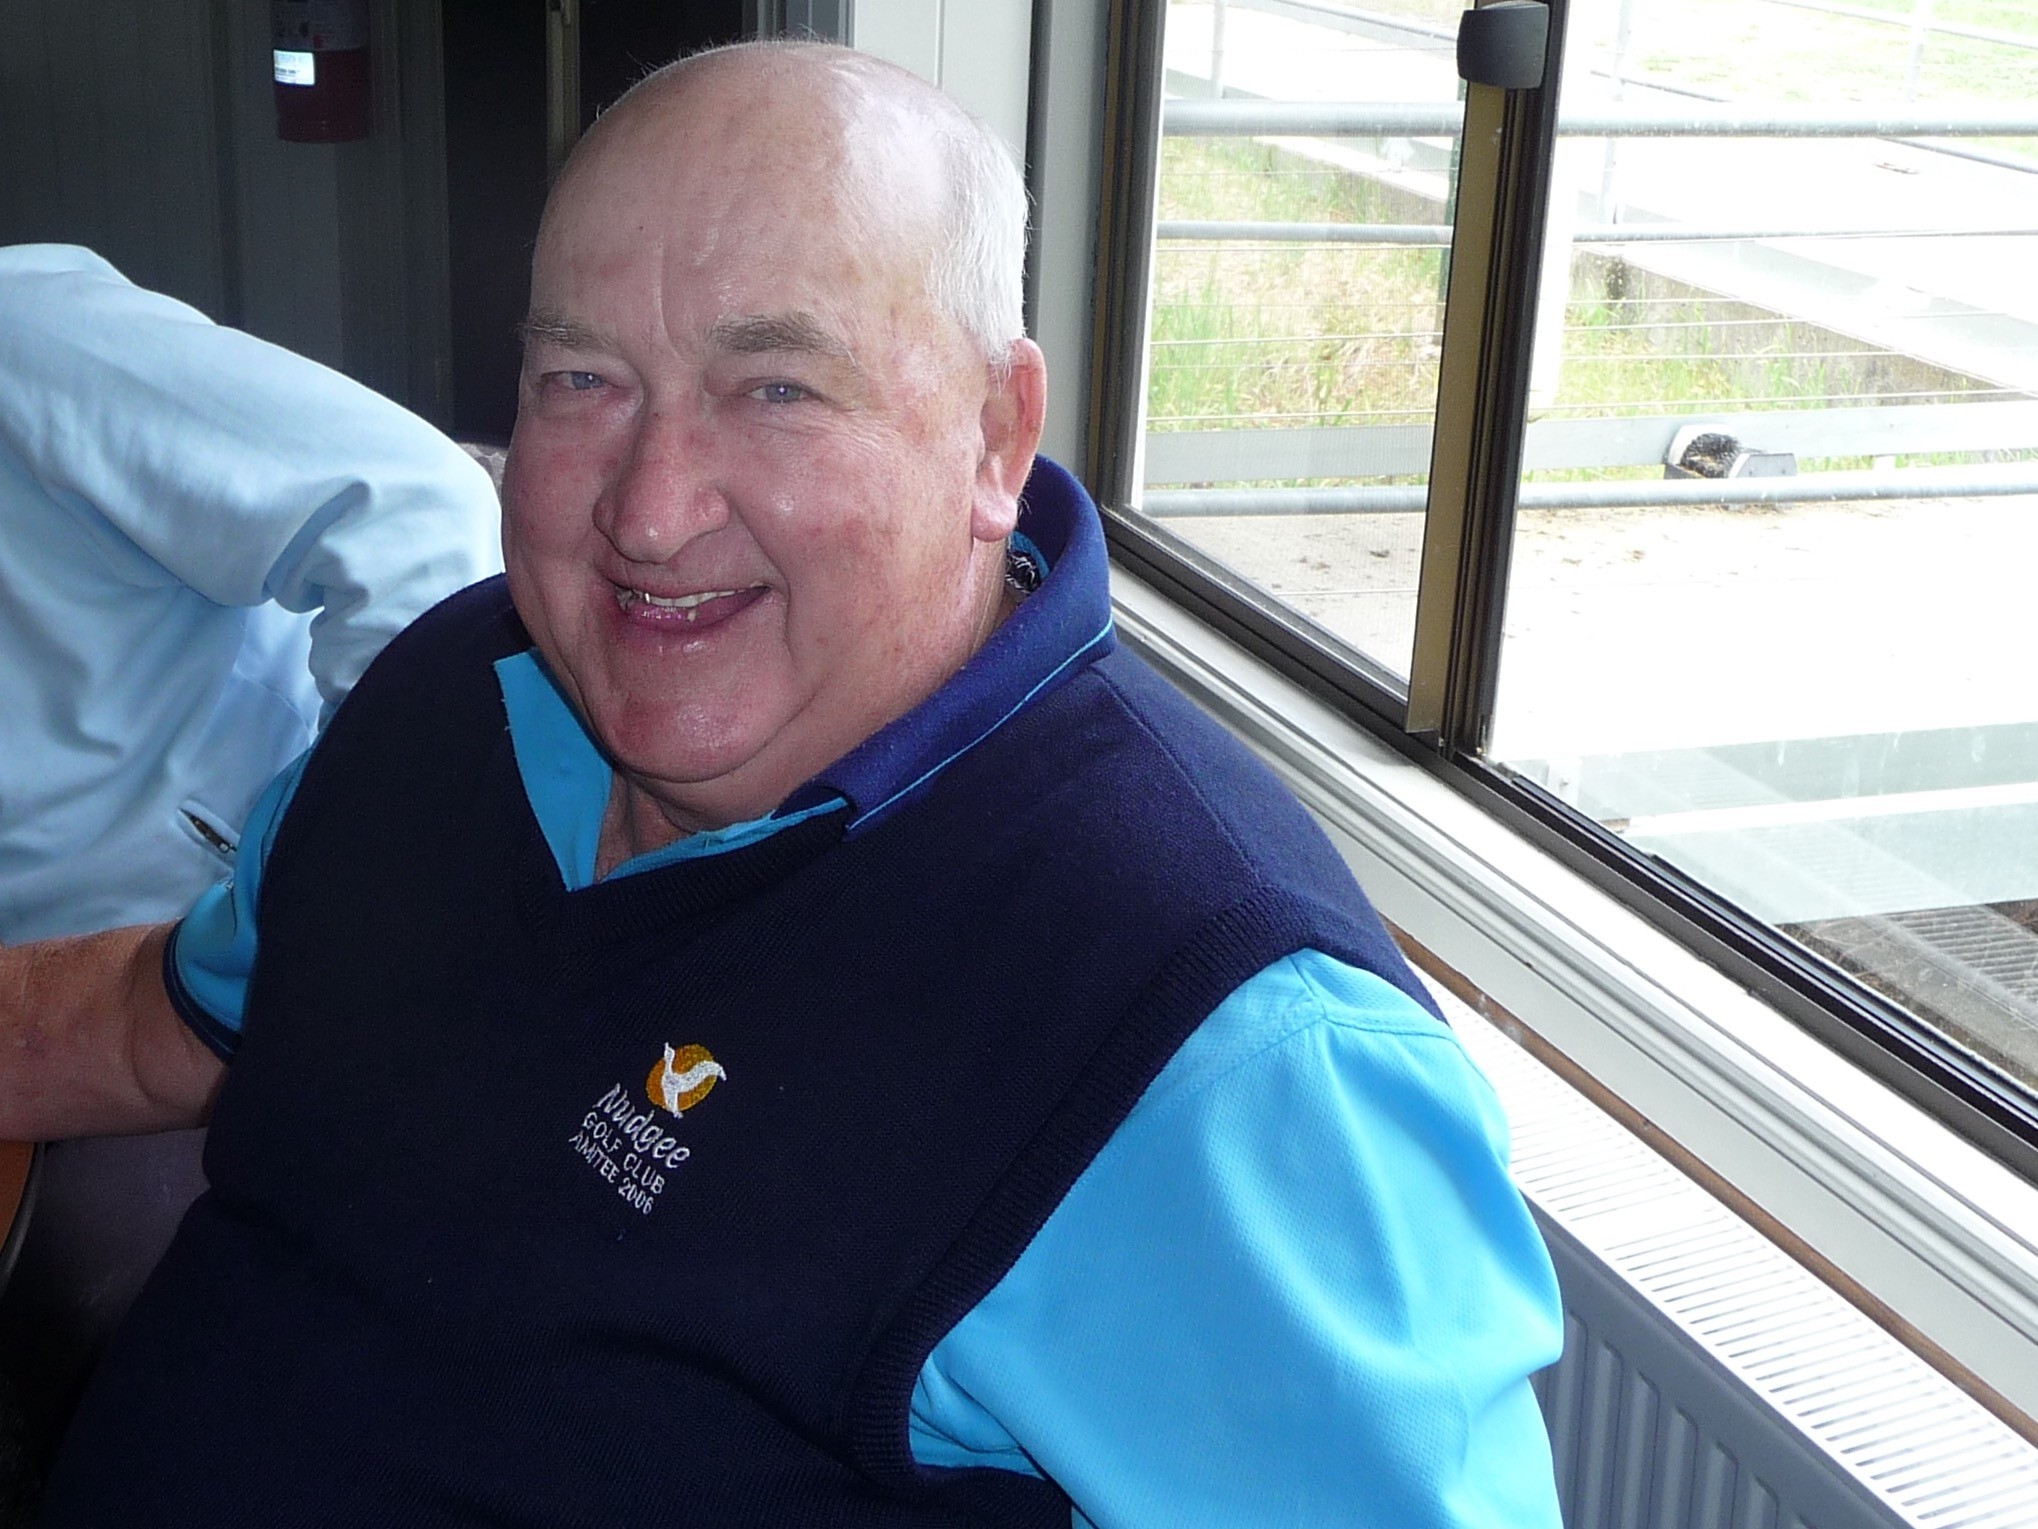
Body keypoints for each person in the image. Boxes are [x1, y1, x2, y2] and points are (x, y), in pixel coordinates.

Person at [1, 43, 1564, 1527]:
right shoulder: (450, 694)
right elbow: (162, 1017)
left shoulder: (1209, 1034)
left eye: (776, 389)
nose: (650, 512)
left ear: (993, 437)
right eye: (581, 380)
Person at [0, 242, 504, 1470]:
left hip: (237, 964)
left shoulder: (23, 339)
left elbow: (414, 512)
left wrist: (333, 909)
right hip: (44, 1015)